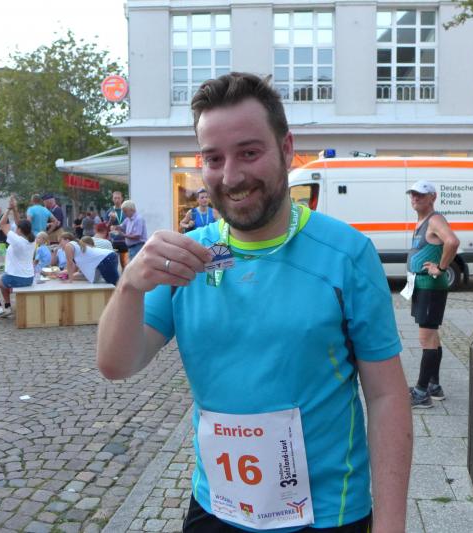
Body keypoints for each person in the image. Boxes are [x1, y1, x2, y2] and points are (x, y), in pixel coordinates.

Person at [96, 72, 411, 533]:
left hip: (325, 515)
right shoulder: (187, 257)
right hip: (217, 507)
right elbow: (117, 365)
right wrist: (128, 285)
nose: (231, 176)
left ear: (286, 149)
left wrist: (390, 524)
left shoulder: (347, 254)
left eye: (249, 152)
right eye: (214, 158)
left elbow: (386, 395)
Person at [405, 180, 461, 409]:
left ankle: (421, 393)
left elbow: (452, 241)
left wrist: (442, 268)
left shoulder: (435, 219)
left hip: (430, 286)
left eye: (420, 194)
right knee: (433, 337)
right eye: (413, 194)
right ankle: (433, 386)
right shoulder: (423, 220)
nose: (415, 198)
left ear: (433, 197)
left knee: (426, 338)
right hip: (422, 286)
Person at [0, 196, 36, 319]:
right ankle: (7, 307)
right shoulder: (32, 240)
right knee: (2, 279)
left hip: (16, 277)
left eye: (17, 227)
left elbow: (2, 224)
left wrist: (8, 209)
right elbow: (19, 223)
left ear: (19, 230)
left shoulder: (17, 240)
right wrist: (15, 209)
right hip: (28, 277)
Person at [107, 191, 129, 267]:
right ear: (112, 199)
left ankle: (125, 274)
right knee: (114, 263)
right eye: (115, 198)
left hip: (124, 241)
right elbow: (106, 227)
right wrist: (111, 220)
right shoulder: (109, 211)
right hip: (113, 242)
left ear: (122, 199)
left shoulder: (126, 211)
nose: (117, 200)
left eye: (118, 198)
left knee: (124, 264)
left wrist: (121, 227)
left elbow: (131, 224)